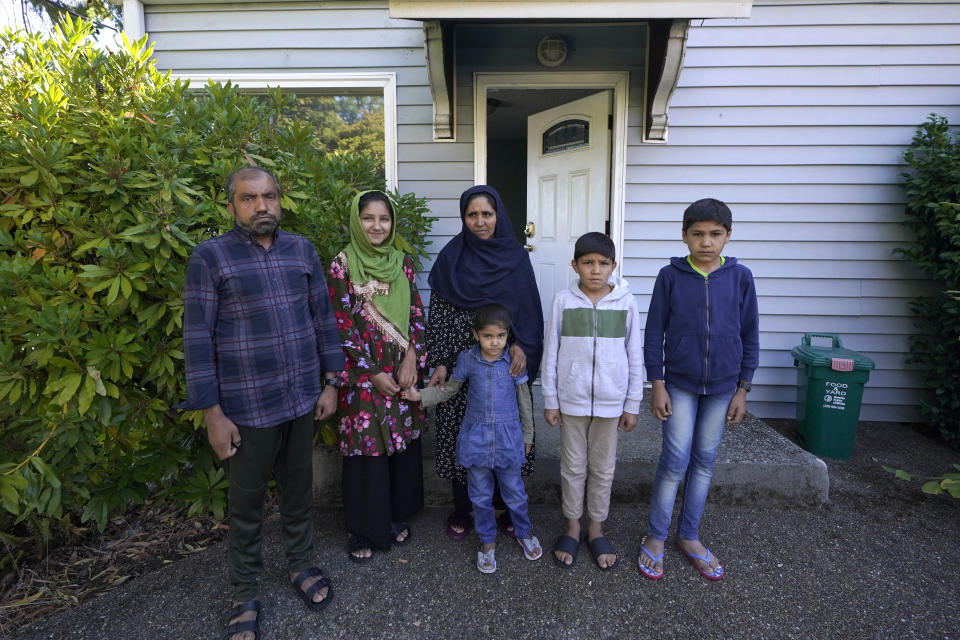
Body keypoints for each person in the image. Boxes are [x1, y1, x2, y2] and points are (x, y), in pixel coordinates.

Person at [180, 166, 344, 640]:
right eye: (249, 199)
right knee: (247, 504)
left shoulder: (301, 250)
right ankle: (244, 591)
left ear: (280, 199)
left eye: (269, 196)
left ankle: (301, 563)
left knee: (298, 490)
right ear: (230, 205)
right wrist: (212, 413)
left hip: (300, 400)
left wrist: (331, 381)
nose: (262, 207)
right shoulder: (210, 257)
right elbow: (197, 340)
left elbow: (323, 320)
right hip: (246, 408)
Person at [637, 198, 759, 581]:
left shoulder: (740, 278)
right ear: (685, 236)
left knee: (704, 459)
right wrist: (656, 382)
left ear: (728, 237)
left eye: (715, 234)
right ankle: (656, 536)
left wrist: (743, 387)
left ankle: (688, 536)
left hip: (723, 387)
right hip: (679, 383)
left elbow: (750, 333)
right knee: (674, 460)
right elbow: (654, 331)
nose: (706, 242)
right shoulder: (670, 276)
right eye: (698, 234)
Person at [425, 185, 543, 540]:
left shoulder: (516, 257)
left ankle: (505, 506)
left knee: (504, 432)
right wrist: (442, 361)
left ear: (499, 216)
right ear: (463, 218)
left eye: (486, 214)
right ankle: (464, 507)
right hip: (464, 366)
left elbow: (528, 310)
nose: (480, 221)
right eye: (472, 214)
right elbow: (440, 315)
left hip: (504, 362)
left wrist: (522, 346)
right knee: (464, 434)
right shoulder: (451, 258)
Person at [403, 304, 542, 573]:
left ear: (507, 335)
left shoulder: (512, 362)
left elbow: (525, 401)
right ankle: (487, 542)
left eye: (501, 336)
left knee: (515, 493)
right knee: (479, 495)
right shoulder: (467, 360)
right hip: (477, 438)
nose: (495, 342)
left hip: (507, 438)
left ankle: (524, 532)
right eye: (488, 336)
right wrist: (422, 396)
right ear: (476, 335)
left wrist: (528, 435)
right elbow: (450, 390)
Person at [326, 190, 426, 562]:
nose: (377, 226)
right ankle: (364, 528)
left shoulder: (403, 262)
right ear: (356, 220)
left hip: (401, 370)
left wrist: (412, 358)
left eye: (383, 219)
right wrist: (370, 373)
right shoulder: (341, 265)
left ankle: (394, 516)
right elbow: (341, 325)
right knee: (366, 448)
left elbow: (416, 313)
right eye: (368, 218)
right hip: (362, 375)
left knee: (398, 446)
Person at [541, 232, 644, 570]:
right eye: (587, 263)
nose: (595, 270)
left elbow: (634, 354)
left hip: (611, 404)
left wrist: (632, 403)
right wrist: (551, 398)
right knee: (572, 467)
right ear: (575, 265)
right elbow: (551, 351)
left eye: (603, 263)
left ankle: (595, 527)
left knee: (603, 468)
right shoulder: (563, 301)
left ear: (614, 266)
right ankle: (572, 525)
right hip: (571, 402)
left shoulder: (626, 303)